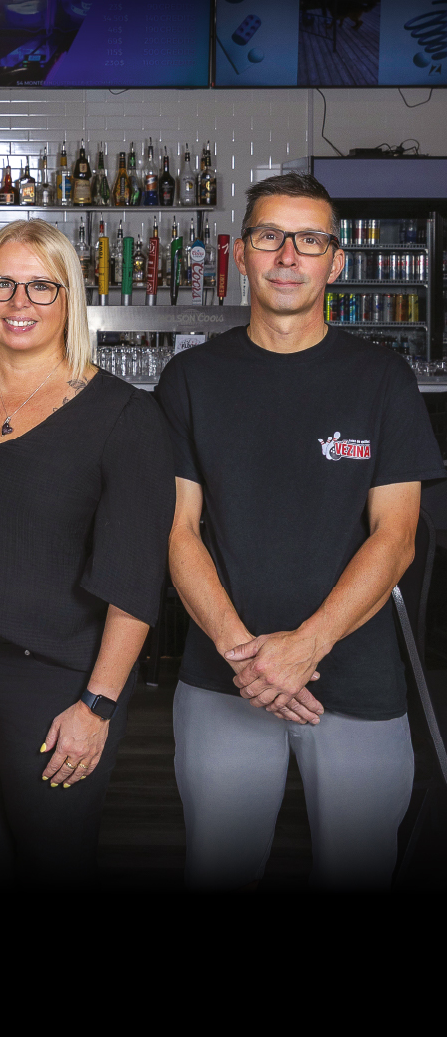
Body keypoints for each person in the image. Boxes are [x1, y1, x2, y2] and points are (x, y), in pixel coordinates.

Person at [157, 173, 443, 890]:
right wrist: (247, 658)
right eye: (268, 236)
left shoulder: (383, 379)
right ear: (241, 253)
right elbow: (176, 531)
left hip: (357, 681)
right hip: (224, 681)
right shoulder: (190, 378)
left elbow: (397, 537)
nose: (288, 255)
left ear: (335, 262)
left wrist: (304, 648)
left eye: (310, 239)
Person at [0, 220, 174, 888]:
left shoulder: (124, 416)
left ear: (70, 299)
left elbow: (137, 580)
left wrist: (96, 707)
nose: (18, 301)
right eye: (2, 283)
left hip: (56, 682)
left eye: (41, 286)